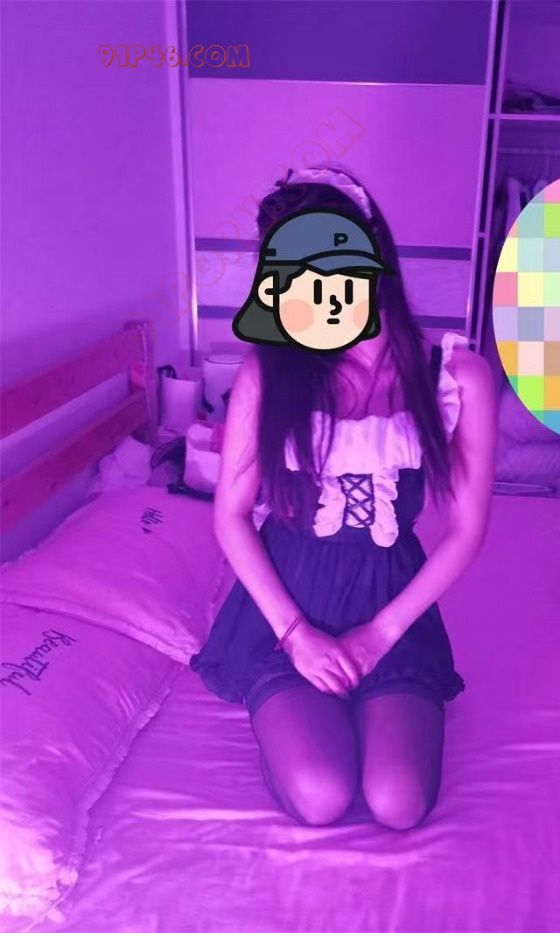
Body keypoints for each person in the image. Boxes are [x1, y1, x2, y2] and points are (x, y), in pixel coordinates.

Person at [189, 164, 497, 830]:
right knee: (322, 794)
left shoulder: (458, 377)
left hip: (393, 604)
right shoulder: (268, 371)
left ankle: (372, 704)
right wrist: (297, 636)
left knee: (398, 802)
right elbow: (232, 516)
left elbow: (467, 530)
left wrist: (380, 635)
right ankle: (292, 715)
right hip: (288, 607)